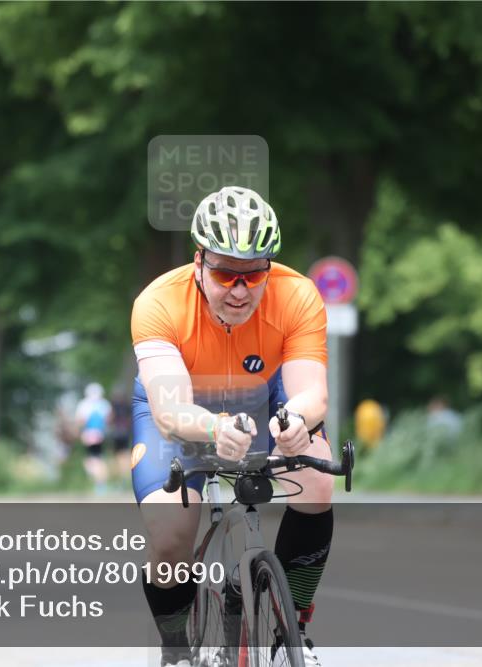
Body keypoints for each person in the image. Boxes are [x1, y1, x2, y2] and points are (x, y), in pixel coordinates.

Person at [131, 186, 333, 667]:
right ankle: (176, 649)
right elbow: (170, 409)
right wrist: (215, 429)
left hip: (263, 398)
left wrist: (296, 421)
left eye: (254, 274)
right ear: (199, 261)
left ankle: (292, 632)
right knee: (169, 536)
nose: (240, 290)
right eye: (225, 273)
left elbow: (312, 393)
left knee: (319, 480)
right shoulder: (159, 302)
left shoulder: (297, 294)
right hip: (184, 412)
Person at [75, 382, 113, 495]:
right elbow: (109, 419)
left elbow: (80, 420)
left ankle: (100, 483)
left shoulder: (84, 404)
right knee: (97, 458)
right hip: (101, 434)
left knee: (92, 459)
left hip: (89, 435)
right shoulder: (104, 404)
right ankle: (101, 482)